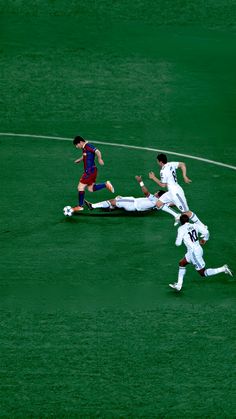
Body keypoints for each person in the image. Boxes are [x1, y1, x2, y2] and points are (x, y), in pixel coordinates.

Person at [169, 214, 233, 291]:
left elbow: (178, 243)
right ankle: (179, 285)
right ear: (188, 220)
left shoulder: (181, 229)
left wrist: (179, 239)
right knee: (182, 263)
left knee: (203, 273)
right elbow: (206, 232)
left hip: (194, 253)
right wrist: (205, 239)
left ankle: (223, 269)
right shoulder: (195, 225)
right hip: (196, 249)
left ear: (180, 221)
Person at [149, 153, 206, 227]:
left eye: (157, 161)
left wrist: (153, 178)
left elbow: (163, 185)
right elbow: (182, 164)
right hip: (171, 192)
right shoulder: (171, 164)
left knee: (187, 212)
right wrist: (184, 176)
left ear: (160, 162)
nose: (157, 162)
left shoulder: (162, 171)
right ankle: (177, 215)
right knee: (158, 204)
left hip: (176, 193)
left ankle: (203, 226)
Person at [85, 176, 181, 217]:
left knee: (113, 200)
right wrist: (178, 201)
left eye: (156, 192)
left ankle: (93, 206)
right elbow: (172, 204)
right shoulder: (161, 204)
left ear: (158, 195)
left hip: (133, 204)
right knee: (118, 198)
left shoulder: (155, 199)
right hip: (132, 202)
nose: (154, 193)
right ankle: (111, 207)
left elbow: (146, 193)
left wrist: (140, 182)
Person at [72, 136, 114, 212]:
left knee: (80, 187)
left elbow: (97, 151)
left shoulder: (88, 146)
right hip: (92, 171)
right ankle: (106, 184)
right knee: (91, 189)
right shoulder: (84, 147)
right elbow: (85, 155)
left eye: (77, 144)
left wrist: (99, 158)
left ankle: (80, 206)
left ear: (80, 142)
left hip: (89, 171)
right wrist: (80, 159)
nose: (76, 146)